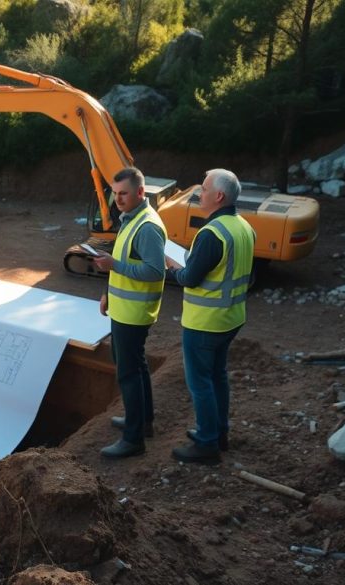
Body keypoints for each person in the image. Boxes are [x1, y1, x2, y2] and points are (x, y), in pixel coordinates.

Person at [166, 168, 255, 465]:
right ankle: (219, 433)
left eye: (203, 189)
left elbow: (190, 277)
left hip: (205, 322)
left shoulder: (211, 233)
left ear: (218, 196)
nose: (199, 193)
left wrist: (172, 267)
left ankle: (207, 444)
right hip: (232, 318)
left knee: (200, 382)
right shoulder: (243, 226)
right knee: (218, 376)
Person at [92, 167, 167, 458]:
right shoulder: (131, 219)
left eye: (123, 193)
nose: (117, 199)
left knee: (129, 374)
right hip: (124, 308)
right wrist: (107, 292)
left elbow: (154, 270)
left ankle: (133, 439)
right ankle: (143, 421)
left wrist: (115, 267)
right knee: (137, 367)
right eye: (115, 193)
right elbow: (122, 260)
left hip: (134, 313)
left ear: (140, 192)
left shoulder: (147, 227)